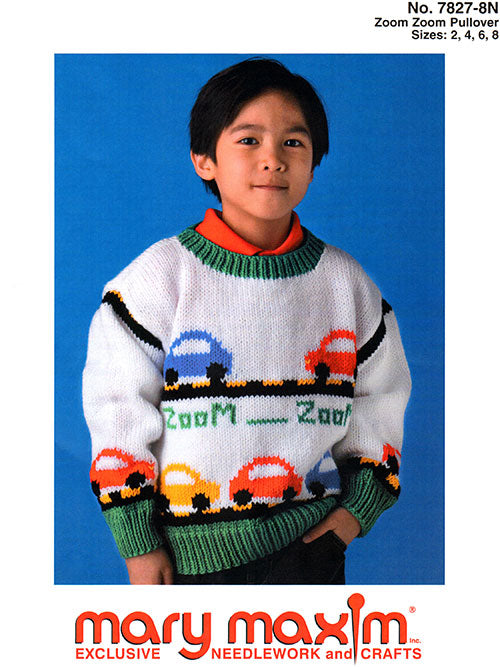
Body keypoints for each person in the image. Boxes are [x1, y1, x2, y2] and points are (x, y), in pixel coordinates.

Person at [82, 58, 411, 585]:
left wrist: (353, 515)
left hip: (311, 548)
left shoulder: (346, 284)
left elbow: (382, 399)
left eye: (293, 142)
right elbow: (117, 411)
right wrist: (138, 542)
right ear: (204, 160)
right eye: (249, 140)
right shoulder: (156, 280)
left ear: (313, 162)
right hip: (187, 560)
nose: (273, 160)